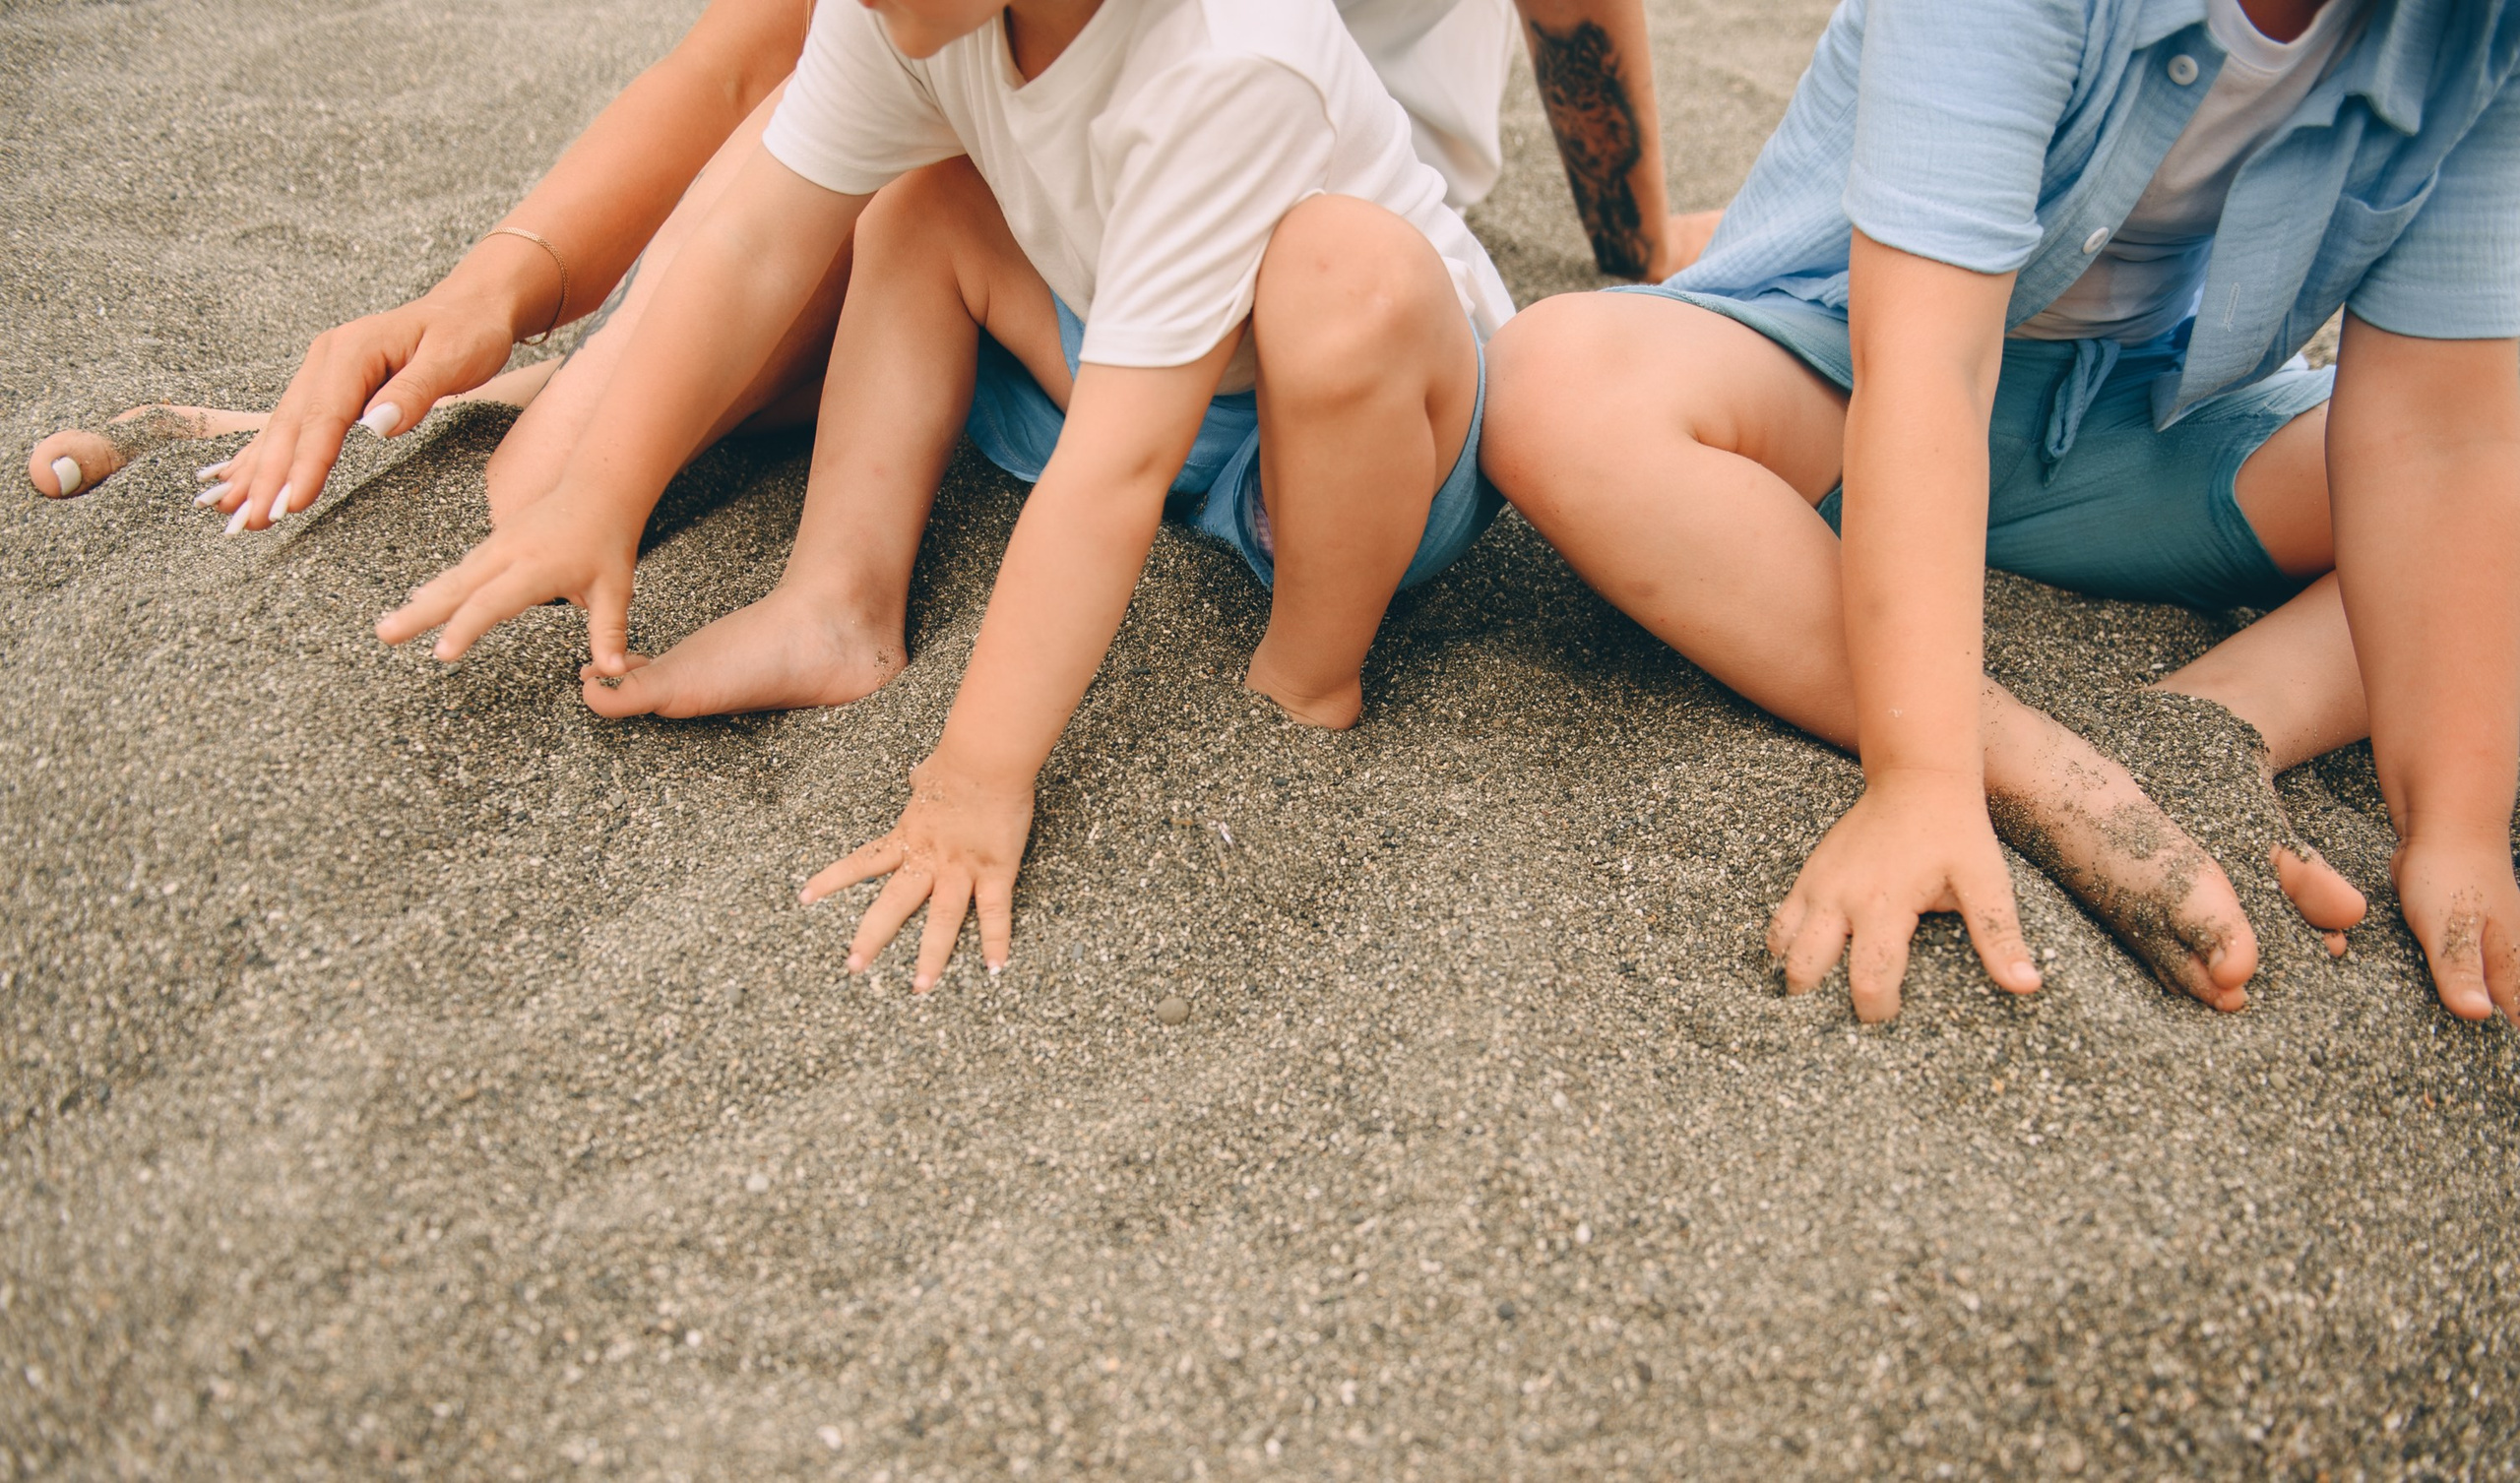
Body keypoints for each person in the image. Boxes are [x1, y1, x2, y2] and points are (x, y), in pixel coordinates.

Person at [372, 0, 1516, 988]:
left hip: (1360, 453)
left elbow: (1111, 474)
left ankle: (1303, 685)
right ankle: (835, 602)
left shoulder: (1233, 55)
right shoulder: (909, 14)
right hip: (1143, 374)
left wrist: (975, 776)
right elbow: (754, 241)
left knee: (1341, 272)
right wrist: (600, 492)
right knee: (924, 197)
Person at [1481, 0, 2519, 1024]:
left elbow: (2443, 437)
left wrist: (2458, 825)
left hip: (2137, 408)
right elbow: (1928, 363)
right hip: (1848, 371)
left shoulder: (2477, 32)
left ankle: (2198, 726)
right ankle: (2032, 767)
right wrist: (1923, 777)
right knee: (1558, 388)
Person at [25, 0, 1712, 513]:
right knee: (558, 466)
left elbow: (1573, 16)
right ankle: (541, 392)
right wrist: (496, 284)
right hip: (1044, 195)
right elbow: (751, 61)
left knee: (588, 444)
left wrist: (1636, 266)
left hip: (1321, 248)